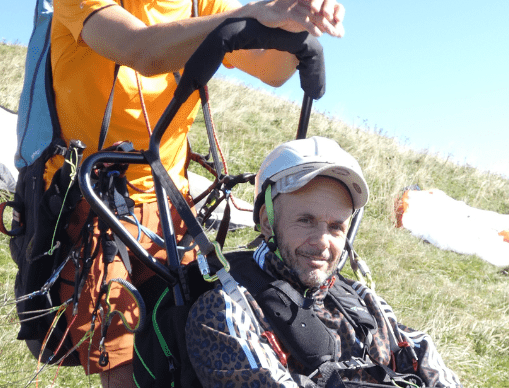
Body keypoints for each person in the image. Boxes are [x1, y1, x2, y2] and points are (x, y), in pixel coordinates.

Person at [48, 0, 345, 384]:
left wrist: (294, 22)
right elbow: (140, 49)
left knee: (191, 345)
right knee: (119, 364)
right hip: (91, 206)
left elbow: (273, 69)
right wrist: (250, 15)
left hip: (170, 207)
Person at [185, 137, 463, 387]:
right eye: (306, 221)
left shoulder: (360, 298)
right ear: (268, 223)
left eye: (336, 227)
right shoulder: (227, 309)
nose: (322, 241)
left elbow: (418, 349)